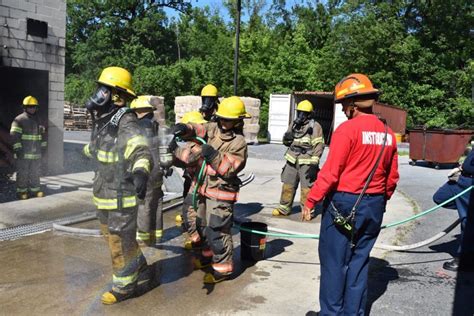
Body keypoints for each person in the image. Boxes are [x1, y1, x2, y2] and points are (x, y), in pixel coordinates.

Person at [302, 73, 399, 315]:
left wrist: (311, 200)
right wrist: (380, 201)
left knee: (335, 264)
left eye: (345, 105)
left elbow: (332, 172)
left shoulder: (347, 130)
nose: (343, 110)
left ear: (354, 104)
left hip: (344, 204)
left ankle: (331, 313)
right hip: (373, 205)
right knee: (359, 262)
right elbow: (392, 177)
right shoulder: (388, 133)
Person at [82, 67, 154, 304]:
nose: (97, 94)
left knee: (118, 243)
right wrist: (86, 152)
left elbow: (139, 148)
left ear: (116, 96)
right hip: (104, 193)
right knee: (115, 238)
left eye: (103, 89)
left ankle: (124, 288)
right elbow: (101, 150)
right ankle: (138, 264)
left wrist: (141, 170)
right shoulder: (103, 120)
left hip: (120, 196)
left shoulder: (125, 120)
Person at [171, 96, 250, 283]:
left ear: (238, 121)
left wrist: (212, 154)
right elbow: (200, 129)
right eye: (222, 118)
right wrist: (186, 129)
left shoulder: (239, 143)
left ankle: (223, 270)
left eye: (228, 120)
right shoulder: (214, 129)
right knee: (202, 226)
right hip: (203, 189)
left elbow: (229, 169)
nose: (223, 122)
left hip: (221, 193)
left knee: (217, 230)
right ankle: (208, 258)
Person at [272, 100, 324, 217]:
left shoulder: (315, 127)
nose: (301, 115)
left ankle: (307, 211)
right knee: (287, 185)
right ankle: (284, 209)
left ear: (310, 114)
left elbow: (319, 146)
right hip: (291, 160)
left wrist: (314, 165)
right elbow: (287, 141)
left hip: (307, 162)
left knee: (307, 189)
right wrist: (286, 138)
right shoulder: (294, 125)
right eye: (299, 112)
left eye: (304, 113)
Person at [130, 96, 164, 247]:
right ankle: (156, 236)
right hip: (157, 170)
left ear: (139, 111)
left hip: (146, 170)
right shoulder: (155, 125)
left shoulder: (141, 126)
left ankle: (143, 238)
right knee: (156, 202)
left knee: (143, 204)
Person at [433, 148, 474, 271]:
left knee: (468, 223)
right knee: (440, 197)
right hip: (462, 179)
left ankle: (464, 258)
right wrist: (462, 167)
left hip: (471, 184)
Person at [173, 111, 207, 249]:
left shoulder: (202, 145)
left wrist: (173, 149)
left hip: (204, 184)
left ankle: (199, 241)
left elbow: (190, 158)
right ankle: (197, 239)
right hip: (195, 181)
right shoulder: (193, 142)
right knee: (191, 210)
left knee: (193, 212)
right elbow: (184, 162)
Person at [10, 96, 47, 199]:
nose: (32, 108)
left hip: (36, 154)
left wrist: (43, 147)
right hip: (23, 153)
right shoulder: (19, 120)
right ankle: (21, 192)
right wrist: (18, 149)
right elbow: (14, 136)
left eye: (34, 106)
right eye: (29, 106)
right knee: (23, 173)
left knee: (35, 172)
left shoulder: (39, 120)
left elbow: (43, 136)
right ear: (25, 107)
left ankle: (35, 190)